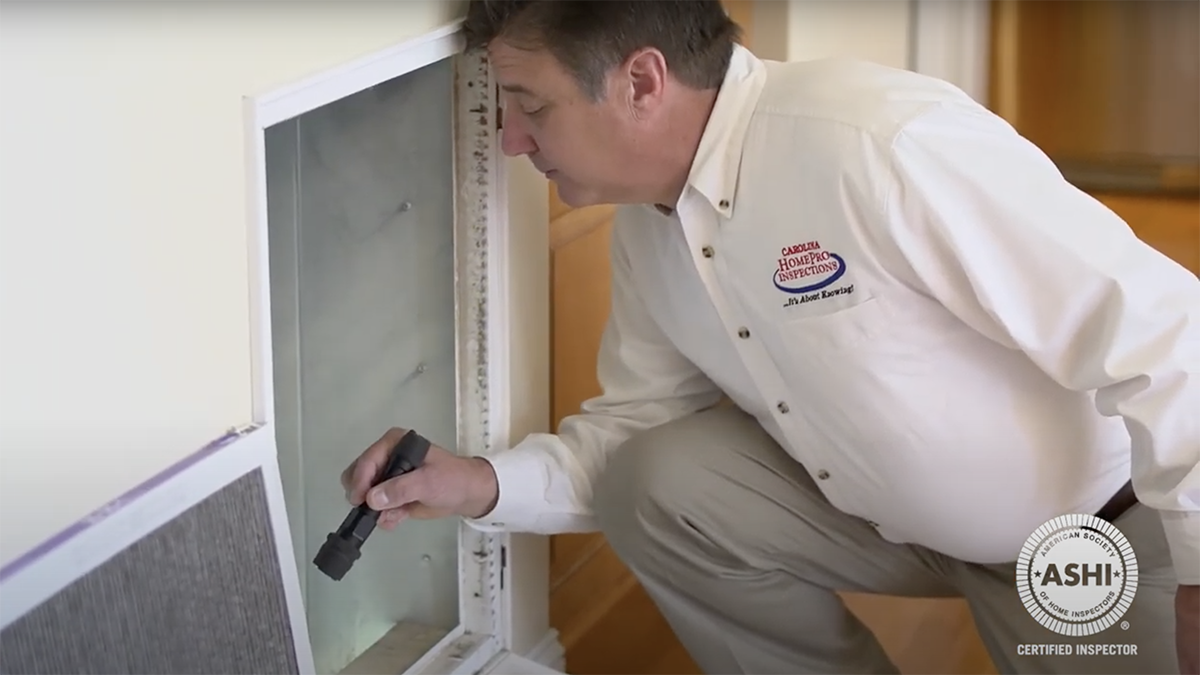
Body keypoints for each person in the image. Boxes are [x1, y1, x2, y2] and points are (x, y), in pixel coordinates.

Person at [341, 1, 1200, 673]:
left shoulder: (878, 146)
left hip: (1095, 538)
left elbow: (1164, 329)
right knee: (658, 477)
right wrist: (482, 483)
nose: (510, 138)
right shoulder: (651, 223)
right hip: (900, 519)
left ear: (642, 82)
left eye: (531, 106)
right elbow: (632, 433)